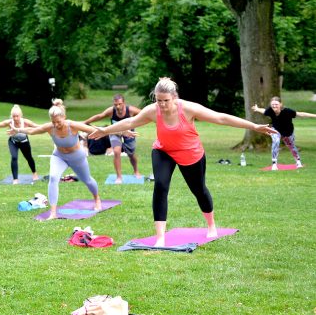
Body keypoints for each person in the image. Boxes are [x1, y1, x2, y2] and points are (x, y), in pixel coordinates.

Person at [90, 77, 278, 245]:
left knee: (199, 190)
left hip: (190, 153)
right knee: (161, 186)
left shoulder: (188, 108)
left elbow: (221, 118)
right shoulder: (152, 110)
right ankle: (160, 237)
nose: (162, 105)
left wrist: (254, 126)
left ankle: (211, 225)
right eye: (158, 100)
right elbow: (130, 122)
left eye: (166, 101)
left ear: (174, 97)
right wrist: (105, 130)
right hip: (163, 151)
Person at [13, 100, 102, 219]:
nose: (56, 125)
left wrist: (121, 131)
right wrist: (18, 130)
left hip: (77, 157)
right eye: (53, 122)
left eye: (58, 122)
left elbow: (98, 131)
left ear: (64, 117)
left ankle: (97, 199)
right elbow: (33, 131)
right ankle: (53, 212)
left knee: (87, 180)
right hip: (59, 156)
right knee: (53, 178)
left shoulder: (73, 125)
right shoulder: (50, 127)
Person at [84, 94, 142, 183]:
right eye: (115, 104)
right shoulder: (111, 111)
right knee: (116, 151)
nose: (118, 106)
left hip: (129, 133)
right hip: (115, 132)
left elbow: (144, 115)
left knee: (131, 153)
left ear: (124, 103)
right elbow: (100, 116)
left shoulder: (130, 110)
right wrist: (86, 122)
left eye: (120, 104)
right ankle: (119, 177)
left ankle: (136, 171)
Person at [0, 105, 40, 184]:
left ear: (21, 115)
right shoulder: (9, 122)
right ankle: (15, 179)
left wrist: (52, 127)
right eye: (13, 116)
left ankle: (34, 173)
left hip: (24, 142)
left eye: (17, 116)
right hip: (13, 142)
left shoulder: (26, 122)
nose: (15, 118)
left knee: (29, 158)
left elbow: (39, 127)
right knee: (14, 157)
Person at [251, 97, 315, 169]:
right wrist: (257, 109)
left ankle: (298, 162)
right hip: (276, 130)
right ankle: (274, 164)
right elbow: (264, 111)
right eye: (273, 104)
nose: (274, 106)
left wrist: (314, 115)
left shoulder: (287, 111)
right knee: (276, 141)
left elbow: (301, 114)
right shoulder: (270, 110)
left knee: (291, 146)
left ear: (281, 104)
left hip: (288, 131)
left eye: (276, 104)